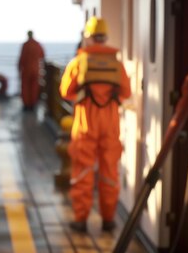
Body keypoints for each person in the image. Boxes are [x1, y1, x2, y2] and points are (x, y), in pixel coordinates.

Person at [59, 16, 131, 233]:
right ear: (105, 36)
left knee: (83, 171)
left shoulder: (79, 62)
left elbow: (65, 92)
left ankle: (81, 219)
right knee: (110, 172)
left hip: (85, 123)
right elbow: (126, 92)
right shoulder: (116, 63)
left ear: (88, 37)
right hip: (110, 124)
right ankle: (108, 219)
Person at [18, 30, 45, 111]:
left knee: (25, 88)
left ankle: (27, 105)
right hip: (35, 69)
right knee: (34, 87)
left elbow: (22, 58)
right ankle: (33, 105)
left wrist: (19, 67)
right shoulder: (37, 44)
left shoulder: (25, 45)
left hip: (26, 70)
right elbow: (42, 55)